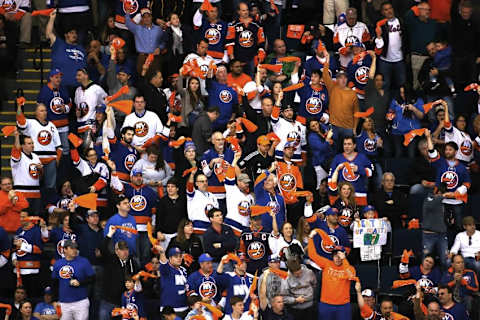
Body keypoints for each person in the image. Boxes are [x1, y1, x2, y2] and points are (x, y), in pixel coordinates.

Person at [425, 128, 470, 230]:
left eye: (450, 149)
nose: (447, 152)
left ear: (455, 151)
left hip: (456, 202)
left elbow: (467, 184)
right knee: (441, 228)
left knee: (458, 227)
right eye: (446, 150)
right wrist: (428, 137)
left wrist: (455, 193)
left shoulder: (462, 167)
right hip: (442, 201)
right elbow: (432, 151)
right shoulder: (440, 163)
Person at [307, 231, 356, 320]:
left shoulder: (349, 267)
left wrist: (344, 259)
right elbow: (312, 255)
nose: (337, 258)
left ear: (344, 256)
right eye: (335, 255)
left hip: (343, 306)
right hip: (326, 304)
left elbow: (351, 276)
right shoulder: (327, 263)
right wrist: (310, 238)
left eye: (339, 256)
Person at [16, 103, 62, 193]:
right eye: (41, 110)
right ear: (36, 112)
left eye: (45, 110)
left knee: (50, 187)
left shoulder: (52, 125)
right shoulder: (31, 123)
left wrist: (58, 158)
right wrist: (19, 106)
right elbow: (21, 121)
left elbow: (59, 146)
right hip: (35, 160)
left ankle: (50, 205)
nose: (44, 112)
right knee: (35, 186)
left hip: (51, 160)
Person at [99, 232, 139, 320]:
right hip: (108, 301)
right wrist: (109, 235)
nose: (124, 252)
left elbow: (137, 279)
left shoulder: (133, 263)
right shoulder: (110, 260)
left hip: (124, 303)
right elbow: (102, 249)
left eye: (126, 249)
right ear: (116, 251)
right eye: (121, 249)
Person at [322, 53, 359, 147]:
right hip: (334, 126)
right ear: (337, 80)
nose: (342, 80)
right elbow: (325, 75)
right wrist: (327, 60)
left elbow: (356, 113)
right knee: (334, 149)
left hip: (348, 128)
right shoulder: (332, 88)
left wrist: (354, 128)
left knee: (348, 150)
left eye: (344, 78)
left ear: (347, 79)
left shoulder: (353, 93)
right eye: (339, 78)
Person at [52, 239, 95, 320]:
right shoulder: (58, 263)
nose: (74, 250)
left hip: (80, 302)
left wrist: (80, 282)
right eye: (71, 248)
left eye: (75, 248)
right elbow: (54, 283)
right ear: (64, 249)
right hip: (63, 303)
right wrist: (54, 300)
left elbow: (92, 279)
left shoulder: (84, 261)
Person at [46, 10, 87, 92]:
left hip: (78, 88)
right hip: (60, 86)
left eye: (75, 33)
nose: (74, 35)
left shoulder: (81, 48)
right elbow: (49, 33)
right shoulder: (58, 43)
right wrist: (52, 18)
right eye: (71, 33)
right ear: (65, 35)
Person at [371, 1, 407, 91]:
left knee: (402, 85)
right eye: (386, 10)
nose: (389, 11)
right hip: (385, 60)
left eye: (390, 8)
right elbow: (377, 43)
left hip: (400, 59)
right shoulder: (380, 24)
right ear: (382, 12)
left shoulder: (401, 21)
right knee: (384, 85)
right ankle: (385, 104)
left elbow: (406, 38)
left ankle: (402, 104)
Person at [328, 136, 373, 205]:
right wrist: (332, 193)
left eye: (349, 144)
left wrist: (358, 169)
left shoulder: (362, 157)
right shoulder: (337, 158)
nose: (346, 146)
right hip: (343, 197)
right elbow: (331, 177)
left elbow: (370, 172)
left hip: (359, 194)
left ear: (354, 145)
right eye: (345, 144)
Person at [36, 69, 72, 155]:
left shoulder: (63, 89)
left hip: (63, 126)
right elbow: (39, 106)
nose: (58, 79)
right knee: (51, 149)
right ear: (51, 78)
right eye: (56, 77)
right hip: (50, 126)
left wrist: (66, 108)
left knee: (65, 149)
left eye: (60, 77)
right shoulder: (44, 91)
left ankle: (63, 168)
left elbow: (69, 102)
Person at [404, 2, 438, 90]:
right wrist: (416, 7)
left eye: (429, 10)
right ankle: (417, 102)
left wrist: (434, 44)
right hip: (417, 57)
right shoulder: (413, 23)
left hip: (430, 58)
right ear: (418, 11)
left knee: (429, 83)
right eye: (425, 9)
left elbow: (438, 37)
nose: (428, 12)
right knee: (416, 83)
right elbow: (407, 16)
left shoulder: (433, 23)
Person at [226, 2, 265, 76]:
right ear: (238, 12)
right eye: (243, 10)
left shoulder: (257, 25)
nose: (246, 12)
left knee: (251, 81)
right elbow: (229, 43)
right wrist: (232, 58)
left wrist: (260, 55)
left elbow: (261, 41)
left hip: (252, 58)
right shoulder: (233, 25)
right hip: (238, 58)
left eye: (247, 10)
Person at [125, 8, 166, 74]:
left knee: (156, 80)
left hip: (155, 58)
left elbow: (164, 41)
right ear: (142, 19)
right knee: (142, 80)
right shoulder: (137, 28)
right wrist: (127, 12)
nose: (147, 19)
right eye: (144, 17)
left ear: (151, 17)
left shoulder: (158, 29)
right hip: (142, 58)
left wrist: (160, 48)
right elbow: (127, 23)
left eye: (148, 16)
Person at [388, 86, 425, 158]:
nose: (402, 95)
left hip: (412, 133)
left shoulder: (418, 101)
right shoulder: (395, 101)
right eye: (401, 93)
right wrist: (390, 116)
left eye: (404, 93)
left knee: (411, 155)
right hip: (397, 132)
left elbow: (421, 116)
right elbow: (390, 113)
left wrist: (414, 109)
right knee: (398, 154)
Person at [224, 153, 254, 235]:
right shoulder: (232, 189)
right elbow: (229, 177)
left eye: (247, 183)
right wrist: (234, 162)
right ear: (238, 182)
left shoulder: (250, 197)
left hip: (244, 229)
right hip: (232, 225)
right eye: (244, 182)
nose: (247, 184)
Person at [155, 246, 188, 315]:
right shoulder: (166, 269)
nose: (179, 258)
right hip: (170, 310)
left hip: (184, 307)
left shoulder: (183, 270)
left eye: (180, 256)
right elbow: (163, 263)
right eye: (176, 256)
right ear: (170, 258)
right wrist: (162, 252)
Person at [253, 164, 286, 233]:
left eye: (269, 180)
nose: (266, 182)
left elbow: (283, 215)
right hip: (262, 231)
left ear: (274, 184)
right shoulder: (260, 193)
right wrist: (270, 170)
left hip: (278, 232)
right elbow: (258, 180)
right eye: (265, 180)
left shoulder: (280, 198)